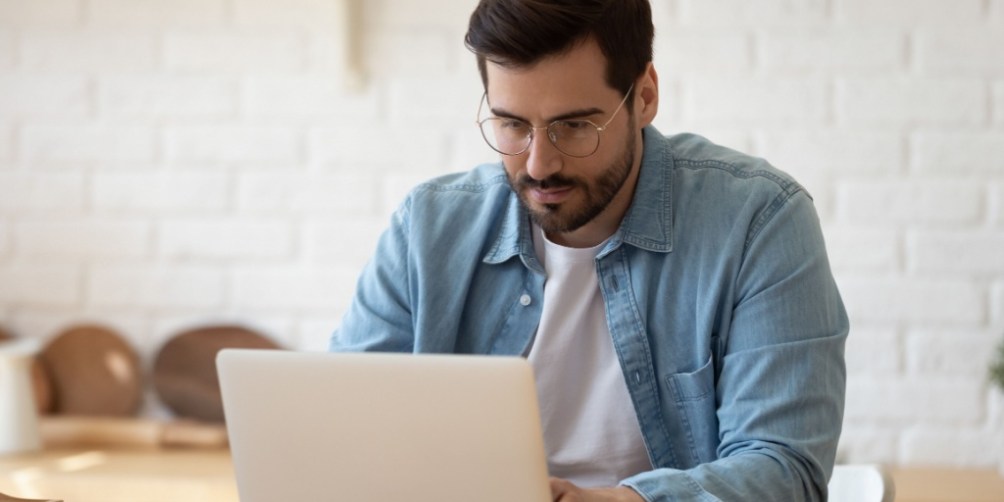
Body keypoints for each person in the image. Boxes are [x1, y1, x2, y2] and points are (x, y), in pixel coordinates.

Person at [330, 0, 848, 500]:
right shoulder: (426, 230)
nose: (538, 164)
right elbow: (338, 430)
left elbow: (785, 472)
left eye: (574, 126)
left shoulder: (758, 222)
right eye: (512, 124)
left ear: (644, 96)